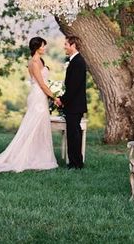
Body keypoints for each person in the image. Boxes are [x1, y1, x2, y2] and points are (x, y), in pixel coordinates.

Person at [0, 37, 58, 173]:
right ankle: (22, 155)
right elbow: (42, 84)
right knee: (32, 126)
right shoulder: (34, 62)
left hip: (41, 96)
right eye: (43, 46)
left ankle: (39, 155)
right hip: (37, 95)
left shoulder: (41, 60)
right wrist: (54, 97)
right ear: (37, 47)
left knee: (40, 126)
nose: (45, 48)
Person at [59, 35, 87, 170]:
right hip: (74, 105)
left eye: (66, 44)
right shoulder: (75, 61)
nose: (64, 46)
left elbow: (74, 87)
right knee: (73, 134)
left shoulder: (78, 62)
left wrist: (62, 100)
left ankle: (75, 164)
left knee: (74, 135)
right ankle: (76, 162)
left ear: (73, 45)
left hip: (74, 106)